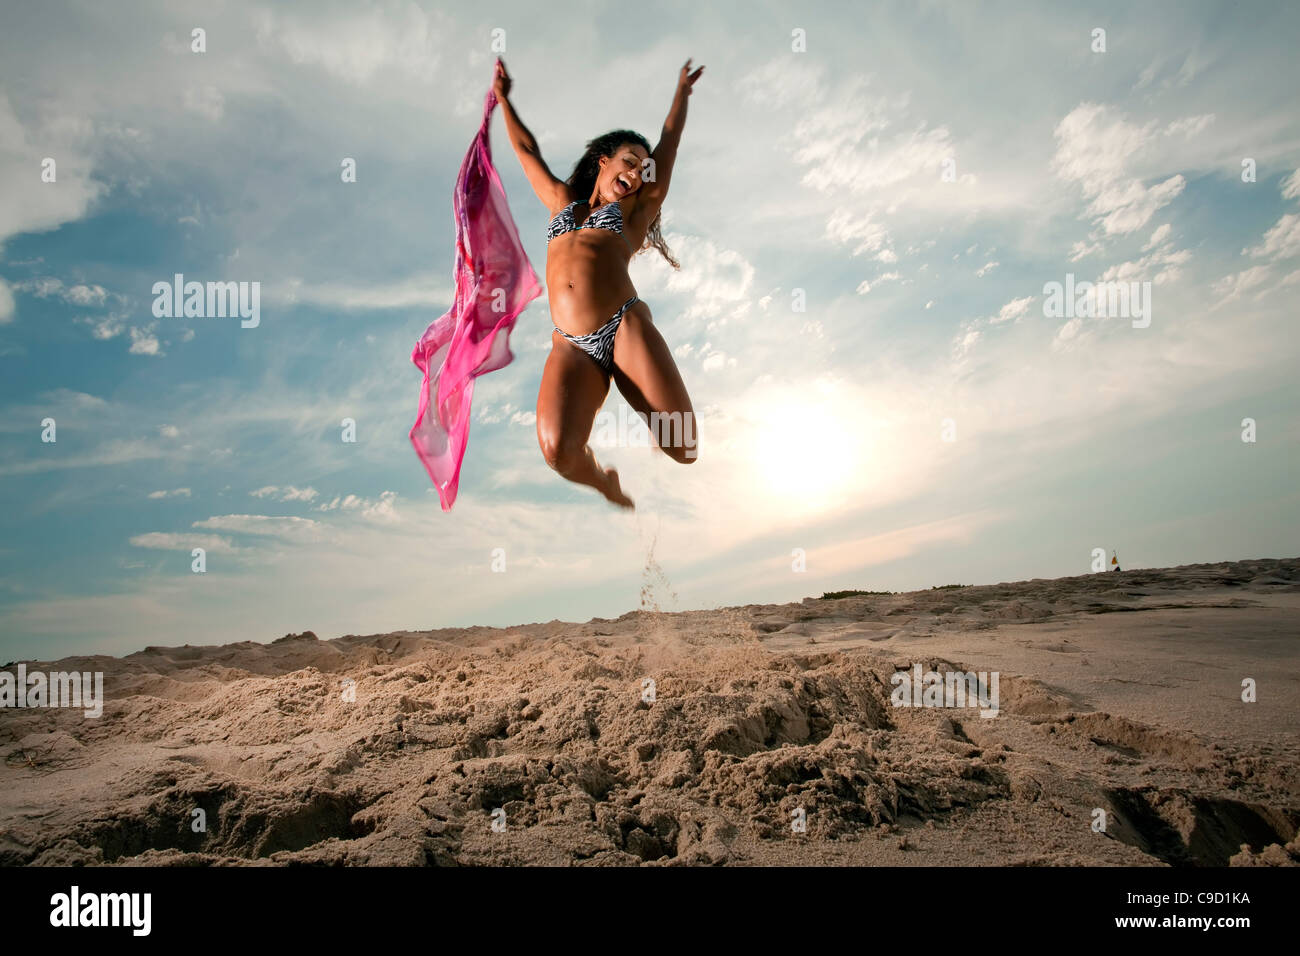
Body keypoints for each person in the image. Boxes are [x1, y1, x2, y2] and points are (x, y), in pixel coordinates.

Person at [494, 57, 704, 509]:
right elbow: (527, 152)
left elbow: (668, 142)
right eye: (629, 163)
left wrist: (681, 96)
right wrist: (502, 100)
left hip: (622, 326)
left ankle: (647, 404)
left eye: (642, 172)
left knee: (683, 448)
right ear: (604, 161)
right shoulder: (562, 202)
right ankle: (604, 484)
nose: (634, 175)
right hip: (572, 346)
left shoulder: (634, 215)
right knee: (559, 453)